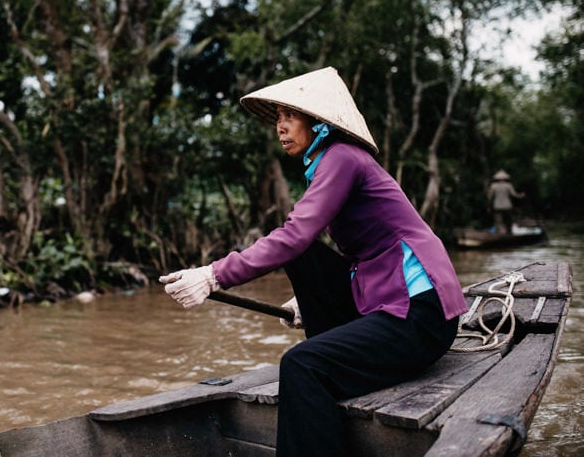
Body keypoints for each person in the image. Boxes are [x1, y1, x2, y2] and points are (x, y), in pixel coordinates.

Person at [160, 67, 468, 457]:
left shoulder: (341, 158)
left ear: (319, 123)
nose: (280, 127)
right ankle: (329, 343)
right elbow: (354, 256)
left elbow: (294, 235)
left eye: (289, 116)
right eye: (278, 118)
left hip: (422, 316)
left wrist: (213, 274)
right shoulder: (331, 164)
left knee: (301, 366)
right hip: (397, 305)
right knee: (304, 255)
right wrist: (306, 302)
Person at [487, 170, 525, 234]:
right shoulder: (508, 185)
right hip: (507, 205)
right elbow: (514, 195)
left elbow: (490, 197)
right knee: (508, 221)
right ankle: (509, 233)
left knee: (499, 222)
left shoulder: (493, 186)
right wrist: (521, 195)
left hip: (497, 206)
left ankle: (500, 234)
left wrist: (488, 206)